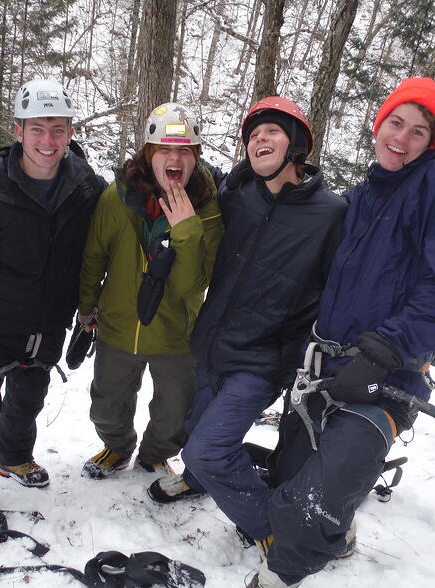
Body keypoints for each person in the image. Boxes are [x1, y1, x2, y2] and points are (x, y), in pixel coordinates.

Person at [247, 77, 435, 588]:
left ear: (432, 142)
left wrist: (385, 349)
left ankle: (280, 576)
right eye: (396, 123)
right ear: (379, 124)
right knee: (287, 479)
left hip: (383, 375)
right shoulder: (365, 195)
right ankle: (342, 531)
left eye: (419, 132)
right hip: (324, 369)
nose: (402, 138)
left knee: (309, 507)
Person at [147, 97, 348, 547]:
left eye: (272, 131)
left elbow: (341, 288)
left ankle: (276, 533)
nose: (260, 139)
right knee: (194, 430)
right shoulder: (236, 196)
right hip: (214, 345)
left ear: (296, 145)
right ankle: (197, 480)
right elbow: (181, 170)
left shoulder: (331, 214)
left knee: (209, 450)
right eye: (254, 135)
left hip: (263, 360)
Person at [0, 78, 106, 498]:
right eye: (37, 129)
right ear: (18, 131)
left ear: (70, 132)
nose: (48, 141)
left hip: (47, 324)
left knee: (28, 397)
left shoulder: (88, 190)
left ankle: (12, 455)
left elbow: (114, 237)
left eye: (57, 129)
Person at [77, 103, 224, 479]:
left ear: (196, 156)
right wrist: (87, 305)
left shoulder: (208, 208)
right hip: (118, 326)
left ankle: (155, 455)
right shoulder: (118, 196)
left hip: (176, 332)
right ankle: (117, 447)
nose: (174, 159)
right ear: (148, 153)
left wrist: (187, 229)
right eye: (164, 149)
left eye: (184, 151)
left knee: (175, 411)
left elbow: (194, 284)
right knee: (107, 405)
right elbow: (94, 254)